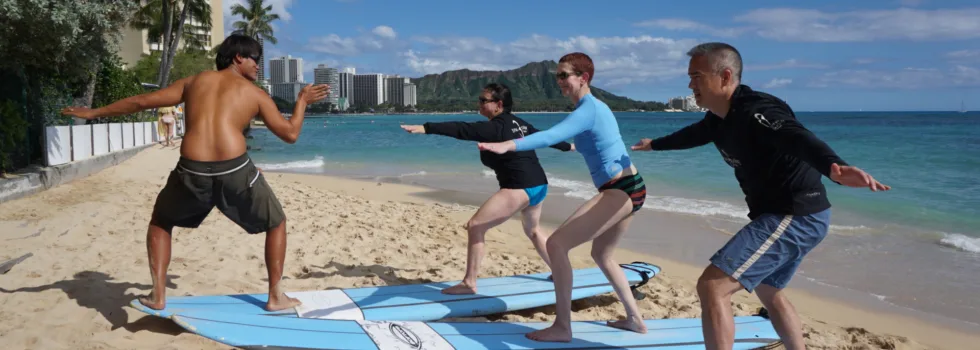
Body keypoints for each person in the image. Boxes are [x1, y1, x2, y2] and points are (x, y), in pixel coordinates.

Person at [631, 42, 890, 350]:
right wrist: (654, 144)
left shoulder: (758, 112)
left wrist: (834, 167)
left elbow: (798, 137)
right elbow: (694, 135)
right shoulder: (718, 118)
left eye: (696, 76)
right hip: (797, 214)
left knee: (713, 286)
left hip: (793, 214)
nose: (690, 84)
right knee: (769, 290)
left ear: (725, 76)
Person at [61, 34, 330, 312]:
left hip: (191, 170)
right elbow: (290, 134)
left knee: (161, 222)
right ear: (239, 57)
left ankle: (158, 295)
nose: (258, 67)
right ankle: (275, 296)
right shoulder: (255, 94)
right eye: (256, 60)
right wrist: (302, 101)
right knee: (276, 222)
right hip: (235, 169)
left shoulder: (194, 82)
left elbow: (141, 101)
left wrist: (94, 113)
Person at [477, 53, 648, 342]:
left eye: (565, 75)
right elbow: (579, 141)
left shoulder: (588, 109)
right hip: (631, 187)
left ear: (584, 78)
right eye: (558, 75)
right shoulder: (590, 109)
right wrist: (567, 148)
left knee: (556, 245)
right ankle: (635, 320)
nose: (560, 81)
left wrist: (509, 145)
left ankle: (563, 327)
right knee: (602, 255)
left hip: (620, 190)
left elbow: (548, 136)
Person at [400, 82, 575, 295]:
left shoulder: (495, 127)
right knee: (534, 230)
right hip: (538, 184)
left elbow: (461, 129)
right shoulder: (520, 123)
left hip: (519, 186)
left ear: (498, 104)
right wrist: (570, 147)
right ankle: (560, 271)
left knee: (475, 226)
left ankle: (469, 282)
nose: (479, 104)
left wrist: (426, 128)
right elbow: (546, 137)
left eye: (484, 101)